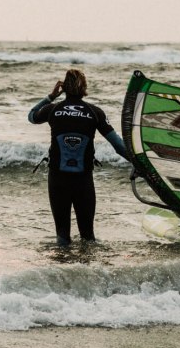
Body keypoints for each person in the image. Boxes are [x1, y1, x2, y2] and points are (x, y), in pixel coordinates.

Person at [28, 69, 131, 246]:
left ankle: (63, 271)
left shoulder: (53, 109)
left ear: (63, 88)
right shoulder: (95, 112)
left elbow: (31, 116)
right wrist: (142, 163)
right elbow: (120, 147)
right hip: (83, 180)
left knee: (62, 237)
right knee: (88, 237)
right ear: (84, 87)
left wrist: (51, 96)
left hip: (57, 179)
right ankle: (88, 272)